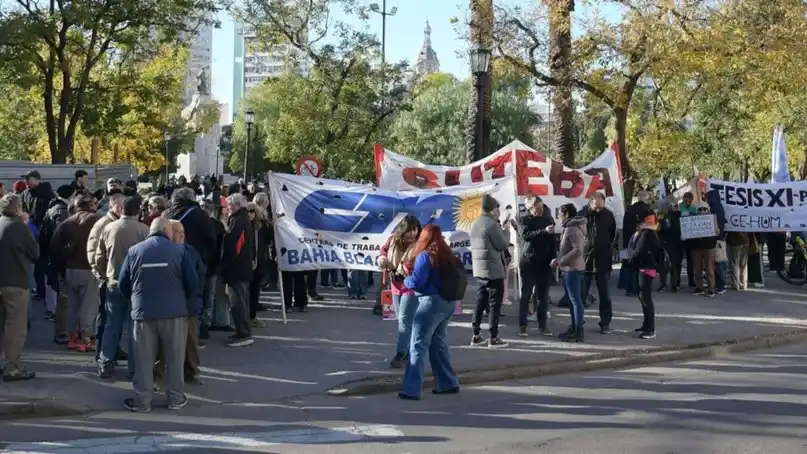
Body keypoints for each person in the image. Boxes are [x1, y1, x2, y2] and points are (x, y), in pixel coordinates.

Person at [118, 217, 199, 412]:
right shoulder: (180, 251)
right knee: (174, 357)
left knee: (143, 359)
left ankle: (142, 400)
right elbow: (193, 282)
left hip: (143, 313)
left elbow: (123, 284)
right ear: (165, 230)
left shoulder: (134, 251)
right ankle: (175, 398)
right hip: (174, 313)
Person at [398, 225, 460, 400]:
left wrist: (405, 278)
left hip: (430, 302)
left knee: (417, 345)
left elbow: (417, 282)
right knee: (437, 342)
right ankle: (448, 382)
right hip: (448, 302)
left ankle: (411, 389)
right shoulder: (446, 254)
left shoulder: (425, 256)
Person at [95, 196, 149, 378]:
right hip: (136, 284)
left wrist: (106, 274)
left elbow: (98, 257)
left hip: (114, 282)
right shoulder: (144, 230)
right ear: (138, 211)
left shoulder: (109, 228)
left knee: (112, 323)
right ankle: (133, 368)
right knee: (136, 328)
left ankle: (105, 361)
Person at [153, 220, 205, 386]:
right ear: (169, 232)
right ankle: (157, 374)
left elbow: (199, 277)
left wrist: (193, 296)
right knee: (162, 343)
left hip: (187, 304)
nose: (182, 235)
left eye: (183, 232)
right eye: (177, 232)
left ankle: (192, 371)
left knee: (190, 340)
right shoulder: (163, 252)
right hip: (167, 305)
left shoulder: (190, 251)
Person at [50, 192, 101, 352]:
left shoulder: (66, 223)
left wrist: (61, 266)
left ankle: (71, 336)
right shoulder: (97, 220)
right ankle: (86, 338)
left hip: (70, 269)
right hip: (89, 267)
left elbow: (54, 246)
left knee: (72, 305)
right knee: (88, 305)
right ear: (90, 205)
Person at [0, 194, 39, 381]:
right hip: (16, 282)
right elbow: (35, 253)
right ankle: (12, 367)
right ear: (18, 209)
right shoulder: (19, 228)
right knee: (15, 327)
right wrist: (26, 225)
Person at [378, 216, 422, 368]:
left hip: (412, 285)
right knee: (402, 320)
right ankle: (411, 351)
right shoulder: (393, 240)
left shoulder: (420, 244)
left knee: (404, 319)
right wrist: (382, 259)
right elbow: (383, 251)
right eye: (409, 230)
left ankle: (401, 353)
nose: (412, 233)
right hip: (395, 283)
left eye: (415, 229)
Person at [469, 194, 511, 349]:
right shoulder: (492, 225)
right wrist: (506, 230)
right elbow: (502, 244)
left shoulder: (477, 222)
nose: (499, 211)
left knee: (480, 303)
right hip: (493, 270)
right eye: (497, 208)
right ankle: (493, 338)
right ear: (493, 209)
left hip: (480, 271)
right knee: (494, 305)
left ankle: (476, 335)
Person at [86, 192, 124, 359]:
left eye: (124, 206)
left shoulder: (118, 223)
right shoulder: (103, 223)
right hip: (106, 277)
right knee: (105, 316)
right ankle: (101, 350)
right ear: (111, 206)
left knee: (114, 317)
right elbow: (93, 252)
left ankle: (113, 348)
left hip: (115, 277)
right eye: (118, 205)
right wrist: (102, 274)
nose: (121, 209)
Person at [516, 196, 555, 337]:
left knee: (543, 296)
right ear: (530, 208)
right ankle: (523, 325)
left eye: (541, 208)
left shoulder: (548, 219)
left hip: (544, 263)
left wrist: (554, 257)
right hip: (529, 262)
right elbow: (526, 236)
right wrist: (543, 231)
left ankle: (542, 325)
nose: (539, 211)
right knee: (526, 295)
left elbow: (552, 241)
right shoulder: (524, 220)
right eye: (536, 209)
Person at [578, 192, 616, 334]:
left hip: (602, 259)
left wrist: (606, 247)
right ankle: (578, 321)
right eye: (596, 206)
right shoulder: (582, 214)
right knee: (581, 293)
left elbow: (612, 235)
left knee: (605, 294)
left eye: (601, 206)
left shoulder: (608, 215)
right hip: (585, 258)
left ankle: (605, 322)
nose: (599, 208)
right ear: (591, 203)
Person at [221, 194, 255, 347]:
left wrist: (226, 261)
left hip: (237, 268)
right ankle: (242, 331)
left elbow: (235, 245)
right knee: (241, 301)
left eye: (229, 205)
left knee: (238, 302)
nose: (227, 208)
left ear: (236, 205)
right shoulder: (243, 219)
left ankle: (243, 334)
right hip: (242, 267)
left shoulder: (238, 220)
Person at [552, 203, 587, 343]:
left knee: (575, 301)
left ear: (566, 214)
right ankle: (574, 327)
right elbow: (567, 249)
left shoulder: (572, 228)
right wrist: (559, 259)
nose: (559, 217)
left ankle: (578, 330)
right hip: (569, 267)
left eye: (560, 214)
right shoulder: (570, 227)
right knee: (573, 301)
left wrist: (561, 261)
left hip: (572, 268)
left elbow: (577, 250)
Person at [21, 170, 55, 299]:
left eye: (28, 179)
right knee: (37, 265)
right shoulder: (25, 193)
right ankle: (41, 291)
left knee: (43, 264)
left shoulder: (46, 193)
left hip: (44, 233)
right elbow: (23, 209)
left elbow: (46, 212)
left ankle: (47, 292)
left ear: (37, 180)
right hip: (30, 231)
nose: (26, 182)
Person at [628, 212, 660, 339]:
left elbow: (639, 250)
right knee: (643, 298)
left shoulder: (647, 233)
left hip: (646, 268)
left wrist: (632, 259)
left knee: (646, 299)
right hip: (644, 267)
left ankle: (650, 329)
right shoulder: (645, 232)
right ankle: (646, 325)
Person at [200, 200, 225, 339]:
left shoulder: (216, 226)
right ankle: (204, 324)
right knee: (207, 297)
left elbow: (220, 248)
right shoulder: (217, 225)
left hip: (208, 266)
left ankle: (203, 324)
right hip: (210, 266)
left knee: (205, 296)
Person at [621, 191, 651, 297]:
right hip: (642, 239)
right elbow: (652, 227)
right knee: (640, 266)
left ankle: (628, 288)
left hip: (630, 239)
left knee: (630, 265)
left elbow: (625, 226)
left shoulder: (630, 209)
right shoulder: (647, 210)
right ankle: (637, 288)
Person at [247, 202, 270, 327]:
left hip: (259, 262)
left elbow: (269, 238)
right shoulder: (244, 225)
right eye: (248, 211)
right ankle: (247, 317)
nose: (250, 214)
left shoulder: (261, 226)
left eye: (252, 211)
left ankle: (252, 316)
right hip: (247, 263)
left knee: (255, 290)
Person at [689, 204, 719, 297]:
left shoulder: (712, 220)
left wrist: (717, 231)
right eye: (700, 209)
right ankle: (699, 287)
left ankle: (711, 289)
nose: (702, 211)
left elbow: (718, 232)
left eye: (704, 209)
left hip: (709, 247)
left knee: (709, 269)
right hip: (696, 248)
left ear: (708, 210)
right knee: (697, 269)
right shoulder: (692, 220)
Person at [658, 200, 683, 292]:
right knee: (664, 265)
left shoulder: (677, 215)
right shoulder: (661, 217)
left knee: (674, 264)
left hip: (675, 242)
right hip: (665, 243)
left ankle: (674, 284)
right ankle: (665, 284)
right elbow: (658, 229)